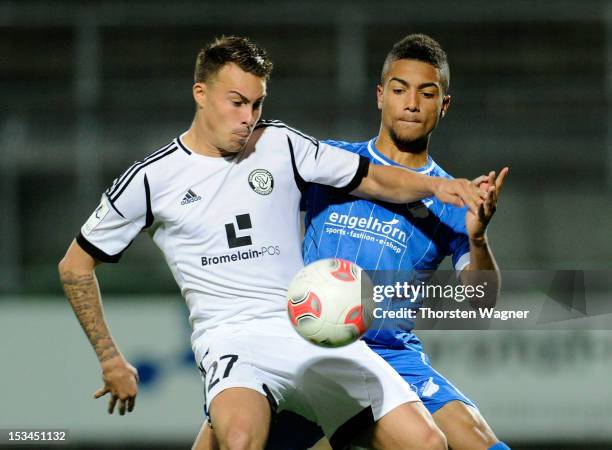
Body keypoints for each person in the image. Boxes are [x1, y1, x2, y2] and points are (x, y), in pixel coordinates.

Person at [58, 35, 487, 450]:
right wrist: (111, 358)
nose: (249, 116)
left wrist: (438, 187)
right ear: (201, 93)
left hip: (311, 328)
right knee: (242, 438)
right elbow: (74, 265)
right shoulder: (151, 180)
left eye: (257, 103)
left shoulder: (280, 143)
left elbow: (372, 176)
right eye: (237, 102)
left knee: (427, 442)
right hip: (233, 338)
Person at [297, 34, 510, 450]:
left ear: (443, 105)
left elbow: (482, 301)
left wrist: (478, 238)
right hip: (317, 344)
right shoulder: (332, 163)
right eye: (399, 90)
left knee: (482, 444)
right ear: (381, 96)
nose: (411, 102)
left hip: (393, 355)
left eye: (426, 93)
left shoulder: (454, 199)